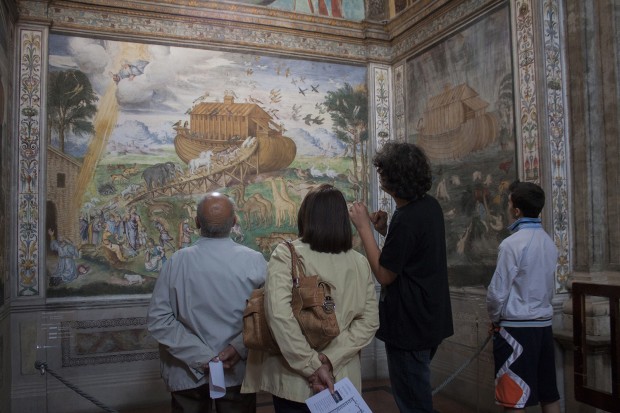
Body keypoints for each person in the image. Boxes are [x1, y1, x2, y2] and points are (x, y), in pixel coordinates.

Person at [242, 184, 379, 412]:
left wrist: (312, 365)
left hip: (295, 381)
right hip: (342, 380)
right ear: (342, 221)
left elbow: (279, 315)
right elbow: (369, 322)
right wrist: (329, 359)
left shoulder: (286, 254)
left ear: (305, 216)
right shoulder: (359, 262)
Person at [349, 142, 453, 413]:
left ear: (392, 180)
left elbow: (385, 275)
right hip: (430, 318)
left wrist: (364, 229)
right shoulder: (428, 206)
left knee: (413, 403)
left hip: (411, 324)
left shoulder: (407, 217)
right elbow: (413, 253)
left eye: (382, 173)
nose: (380, 177)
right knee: (415, 393)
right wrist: (384, 231)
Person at [148, 192, 267, 413]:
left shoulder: (176, 262)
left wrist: (203, 357)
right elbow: (267, 315)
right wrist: (236, 348)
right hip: (236, 368)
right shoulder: (255, 261)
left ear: (196, 222)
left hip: (186, 370)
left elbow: (159, 319)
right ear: (234, 222)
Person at [486, 181, 561, 413]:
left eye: (509, 204)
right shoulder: (550, 243)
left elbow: (497, 292)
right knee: (549, 394)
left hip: (515, 331)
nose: (508, 208)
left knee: (514, 398)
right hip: (543, 326)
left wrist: (495, 319)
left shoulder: (511, 244)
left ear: (516, 210)